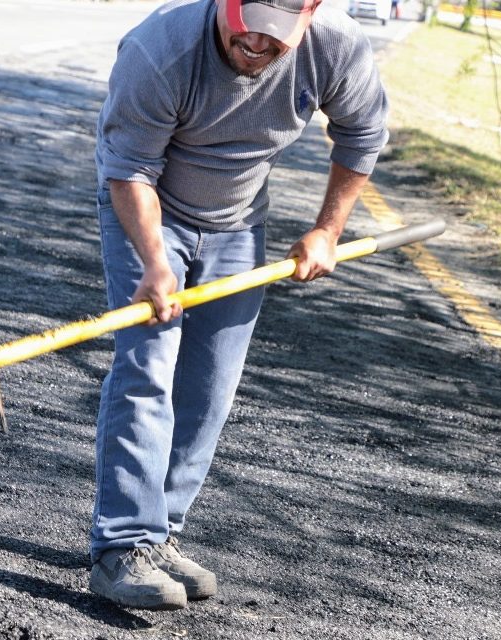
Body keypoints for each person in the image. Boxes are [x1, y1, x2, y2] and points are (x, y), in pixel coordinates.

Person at [90, 0, 388, 610]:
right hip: (149, 215)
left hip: (237, 223)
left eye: (276, 32)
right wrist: (155, 264)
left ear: (310, 16)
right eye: (245, 22)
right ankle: (123, 546)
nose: (255, 41)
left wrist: (327, 231)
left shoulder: (337, 47)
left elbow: (363, 132)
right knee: (149, 371)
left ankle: (163, 532)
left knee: (211, 385)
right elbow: (129, 170)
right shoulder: (160, 49)